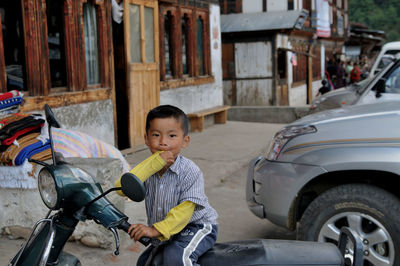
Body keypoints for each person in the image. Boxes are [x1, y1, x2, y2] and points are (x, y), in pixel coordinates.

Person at [115, 105, 218, 266]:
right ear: (146, 139)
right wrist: (153, 164)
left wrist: (154, 231)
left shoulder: (190, 171)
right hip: (166, 231)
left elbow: (184, 213)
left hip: (196, 226)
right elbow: (121, 188)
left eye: (171, 136)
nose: (163, 142)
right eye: (156, 135)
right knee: (144, 262)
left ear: (185, 141)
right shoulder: (147, 169)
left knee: (175, 258)